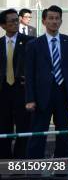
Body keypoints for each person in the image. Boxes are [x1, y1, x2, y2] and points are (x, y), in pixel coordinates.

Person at [25, 5, 68, 159]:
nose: (54, 21)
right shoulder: (34, 44)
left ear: (61, 21)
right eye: (50, 18)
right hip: (41, 95)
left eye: (57, 18)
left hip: (64, 93)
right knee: (39, 133)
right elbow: (29, 74)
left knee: (63, 133)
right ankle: (33, 168)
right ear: (44, 21)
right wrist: (30, 99)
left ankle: (62, 169)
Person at [0, 9, 31, 159]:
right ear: (3, 25)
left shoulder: (29, 41)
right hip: (3, 91)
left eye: (16, 20)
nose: (15, 23)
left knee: (23, 126)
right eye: (11, 21)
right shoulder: (0, 44)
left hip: (22, 90)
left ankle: (20, 160)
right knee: (3, 126)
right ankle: (5, 159)